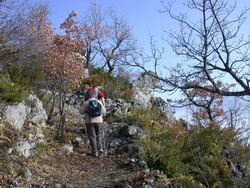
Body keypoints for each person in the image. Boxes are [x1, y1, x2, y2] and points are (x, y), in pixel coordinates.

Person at [79, 90, 106, 157]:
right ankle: (100, 148)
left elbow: (81, 112)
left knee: (92, 137)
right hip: (99, 121)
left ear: (88, 95)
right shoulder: (99, 102)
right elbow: (104, 111)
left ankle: (94, 152)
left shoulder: (86, 103)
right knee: (99, 135)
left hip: (90, 122)